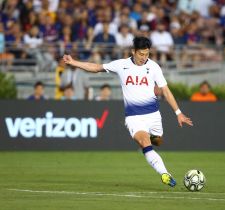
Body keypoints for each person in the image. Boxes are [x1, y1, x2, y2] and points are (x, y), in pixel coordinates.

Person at [63, 36, 193, 187]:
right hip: (134, 117)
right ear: (133, 51)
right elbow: (96, 67)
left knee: (157, 141)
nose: (144, 58)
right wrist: (73, 62)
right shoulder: (121, 65)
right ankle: (165, 174)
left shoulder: (154, 67)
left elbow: (165, 90)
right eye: (141, 54)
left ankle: (150, 142)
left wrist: (178, 113)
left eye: (147, 54)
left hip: (153, 115)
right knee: (145, 142)